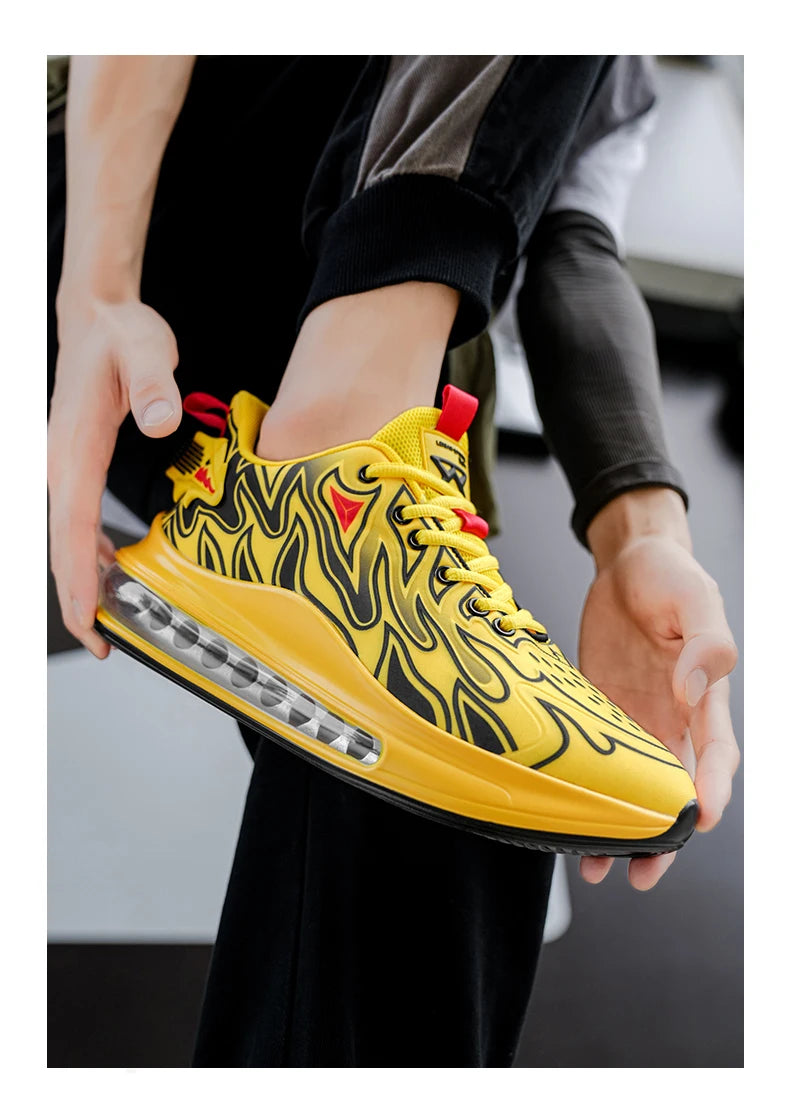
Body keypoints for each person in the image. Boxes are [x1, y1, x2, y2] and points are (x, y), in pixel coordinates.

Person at [47, 55, 739, 1067]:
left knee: (469, 785)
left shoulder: (607, 69)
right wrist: (94, 290)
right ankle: (337, 444)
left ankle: (322, 497)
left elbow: (575, 241)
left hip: (303, 374)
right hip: (113, 207)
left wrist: (641, 535)